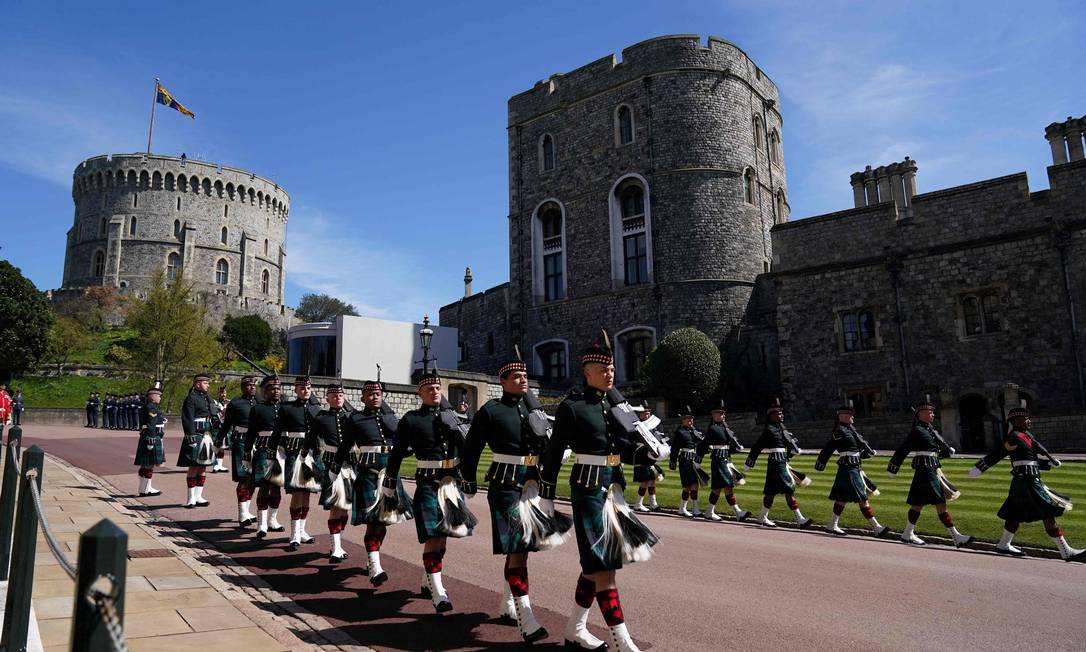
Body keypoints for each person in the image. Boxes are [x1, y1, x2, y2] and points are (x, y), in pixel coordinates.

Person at [540, 334, 665, 652]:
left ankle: (574, 629)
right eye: (603, 369)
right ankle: (623, 641)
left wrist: (649, 452)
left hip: (612, 491)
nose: (610, 374)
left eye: (611, 369)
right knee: (605, 567)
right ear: (588, 371)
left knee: (593, 567)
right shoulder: (573, 407)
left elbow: (621, 448)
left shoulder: (614, 409)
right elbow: (554, 453)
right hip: (588, 491)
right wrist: (547, 494)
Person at [462, 356, 570, 643]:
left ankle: (508, 602)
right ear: (503, 381)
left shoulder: (532, 411)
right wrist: (468, 479)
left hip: (531, 482)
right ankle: (526, 617)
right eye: (517, 376)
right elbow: (471, 447)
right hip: (505, 483)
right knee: (519, 547)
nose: (523, 380)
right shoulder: (491, 410)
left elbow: (544, 445)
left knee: (521, 549)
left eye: (524, 376)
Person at [384, 368, 477, 613]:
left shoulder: (453, 418)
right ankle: (438, 591)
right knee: (434, 536)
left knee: (444, 536)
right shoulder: (411, 420)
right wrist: (389, 484)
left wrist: (457, 431)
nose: (435, 392)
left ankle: (428, 579)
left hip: (450, 483)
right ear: (420, 393)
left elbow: (468, 451)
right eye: (430, 389)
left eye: (437, 388)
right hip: (427, 482)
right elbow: (396, 454)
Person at [969, 402, 1085, 560]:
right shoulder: (1014, 437)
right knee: (1048, 511)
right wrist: (980, 467)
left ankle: (1003, 545)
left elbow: (1030, 460)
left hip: (1028, 480)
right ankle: (1066, 551)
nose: (1029, 421)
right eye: (1026, 418)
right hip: (1026, 481)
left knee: (1014, 514)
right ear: (1016, 421)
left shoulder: (1026, 437)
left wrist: (1048, 463)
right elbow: (998, 453)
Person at [343, 375, 412, 585]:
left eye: (378, 394)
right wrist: (336, 467)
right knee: (373, 521)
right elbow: (346, 445)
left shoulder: (391, 418)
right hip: (368, 474)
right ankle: (375, 567)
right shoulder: (354, 419)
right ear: (362, 398)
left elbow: (403, 444)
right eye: (370, 394)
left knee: (383, 522)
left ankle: (372, 557)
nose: (375, 397)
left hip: (389, 473)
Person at [887, 396, 974, 548]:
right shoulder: (917, 430)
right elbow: (904, 448)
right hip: (926, 470)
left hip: (932, 468)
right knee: (940, 502)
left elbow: (935, 450)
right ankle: (956, 537)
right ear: (920, 414)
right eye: (930, 412)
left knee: (918, 504)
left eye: (933, 412)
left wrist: (946, 451)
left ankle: (908, 533)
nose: (933, 415)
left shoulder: (929, 430)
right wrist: (893, 467)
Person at [814, 402, 889, 537]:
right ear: (843, 416)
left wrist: (868, 453)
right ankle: (876, 527)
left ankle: (832, 525)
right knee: (860, 498)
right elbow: (829, 448)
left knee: (845, 499)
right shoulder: (839, 431)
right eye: (850, 415)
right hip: (848, 468)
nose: (853, 418)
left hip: (855, 468)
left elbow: (856, 451)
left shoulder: (850, 430)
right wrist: (821, 462)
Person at [744, 399, 814, 528]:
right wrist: (750, 462)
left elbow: (786, 448)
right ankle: (800, 519)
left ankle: (762, 518)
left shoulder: (782, 429)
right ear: (771, 416)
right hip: (776, 464)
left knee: (771, 492)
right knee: (789, 489)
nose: (781, 415)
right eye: (778, 414)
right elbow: (757, 446)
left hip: (782, 462)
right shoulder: (769, 430)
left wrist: (793, 451)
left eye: (782, 413)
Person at [309, 383, 354, 561]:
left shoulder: (352, 417)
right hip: (330, 464)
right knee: (336, 505)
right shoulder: (321, 418)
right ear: (327, 399)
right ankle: (335, 547)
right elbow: (312, 439)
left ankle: (339, 544)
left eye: (341, 396)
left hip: (350, 465)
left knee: (345, 508)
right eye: (334, 396)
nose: (338, 398)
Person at [278, 376, 320, 550]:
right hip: (294, 452)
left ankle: (302, 530)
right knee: (297, 493)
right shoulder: (287, 408)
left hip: (311, 452)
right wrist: (275, 452)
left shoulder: (316, 409)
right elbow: (277, 431)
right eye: (302, 388)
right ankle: (294, 533)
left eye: (308, 388)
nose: (306, 391)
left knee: (307, 493)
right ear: (295, 390)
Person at [245, 375, 286, 538]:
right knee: (263, 485)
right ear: (265, 391)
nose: (276, 391)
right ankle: (261, 524)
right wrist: (247, 453)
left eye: (278, 388)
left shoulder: (285, 407)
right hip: (263, 448)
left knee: (277, 486)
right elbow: (251, 433)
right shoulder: (257, 408)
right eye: (272, 389)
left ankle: (272, 520)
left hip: (281, 450)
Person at [697, 403, 751, 522]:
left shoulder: (724, 427)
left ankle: (710, 512)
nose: (723, 415)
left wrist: (736, 448)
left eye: (723, 413)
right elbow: (704, 444)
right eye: (720, 413)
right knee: (725, 486)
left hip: (726, 461)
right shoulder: (713, 428)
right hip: (718, 461)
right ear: (713, 415)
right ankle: (737, 512)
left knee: (721, 487)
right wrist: (698, 459)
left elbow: (727, 445)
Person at [218, 376, 259, 526]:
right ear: (243, 387)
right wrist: (218, 441)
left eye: (254, 385)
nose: (252, 387)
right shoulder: (235, 403)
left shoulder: (260, 401)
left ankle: (247, 510)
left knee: (254, 478)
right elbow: (226, 424)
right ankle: (242, 515)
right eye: (248, 385)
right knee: (244, 477)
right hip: (241, 442)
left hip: (257, 443)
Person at [179, 372, 218, 508]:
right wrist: (190, 436)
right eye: (205, 383)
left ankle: (198, 496)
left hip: (207, 434)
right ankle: (190, 498)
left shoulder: (208, 398)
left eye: (208, 382)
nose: (208, 385)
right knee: (194, 466)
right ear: (197, 384)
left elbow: (213, 415)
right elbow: (187, 418)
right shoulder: (191, 398)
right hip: (196, 434)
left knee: (203, 466)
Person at [669, 407, 708, 517]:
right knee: (689, 485)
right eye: (688, 419)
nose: (691, 421)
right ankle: (687, 508)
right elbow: (675, 448)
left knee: (693, 484)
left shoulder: (693, 431)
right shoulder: (680, 433)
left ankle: (687, 508)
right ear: (682, 420)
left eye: (692, 419)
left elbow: (700, 442)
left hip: (693, 460)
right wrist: (673, 462)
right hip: (685, 460)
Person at [631, 407, 667, 512]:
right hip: (641, 454)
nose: (647, 415)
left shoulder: (653, 426)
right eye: (645, 413)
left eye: (648, 413)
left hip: (650, 455)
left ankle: (653, 503)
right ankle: (638, 504)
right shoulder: (636, 425)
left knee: (651, 480)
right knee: (645, 481)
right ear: (640, 415)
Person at [134, 381, 166, 497]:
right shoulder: (152, 408)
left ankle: (143, 488)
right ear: (152, 396)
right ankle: (146, 489)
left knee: (145, 464)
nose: (160, 398)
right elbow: (151, 424)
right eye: (159, 396)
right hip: (151, 436)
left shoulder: (146, 407)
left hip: (146, 436)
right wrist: (151, 439)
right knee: (149, 464)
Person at [210, 386, 230, 472]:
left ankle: (220, 465)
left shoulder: (229, 402)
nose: (223, 394)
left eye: (224, 393)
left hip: (225, 427)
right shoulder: (214, 403)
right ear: (218, 394)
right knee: (216, 446)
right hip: (217, 427)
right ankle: (215, 465)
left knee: (223, 447)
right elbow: (213, 414)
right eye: (221, 393)